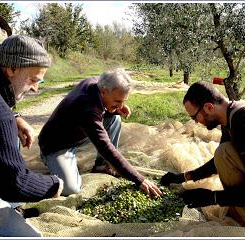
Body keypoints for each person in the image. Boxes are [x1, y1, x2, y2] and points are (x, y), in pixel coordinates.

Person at [160, 81, 245, 236]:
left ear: (209, 107)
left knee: (225, 153)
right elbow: (218, 163)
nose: (196, 122)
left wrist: (213, 197)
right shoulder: (231, 114)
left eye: (195, 117)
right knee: (225, 154)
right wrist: (184, 177)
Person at [0, 35, 64, 237]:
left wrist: (15, 117)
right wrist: (53, 184)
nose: (36, 88)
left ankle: (12, 208)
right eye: (34, 80)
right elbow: (15, 184)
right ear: (12, 69)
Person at [38, 68, 162, 197]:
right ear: (103, 92)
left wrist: (115, 107)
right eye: (117, 101)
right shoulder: (88, 108)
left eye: (123, 101)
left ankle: (101, 166)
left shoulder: (97, 83)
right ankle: (50, 164)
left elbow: (107, 107)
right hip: (57, 145)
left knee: (114, 118)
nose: (121, 106)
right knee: (70, 189)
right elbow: (106, 148)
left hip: (76, 133)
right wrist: (139, 179)